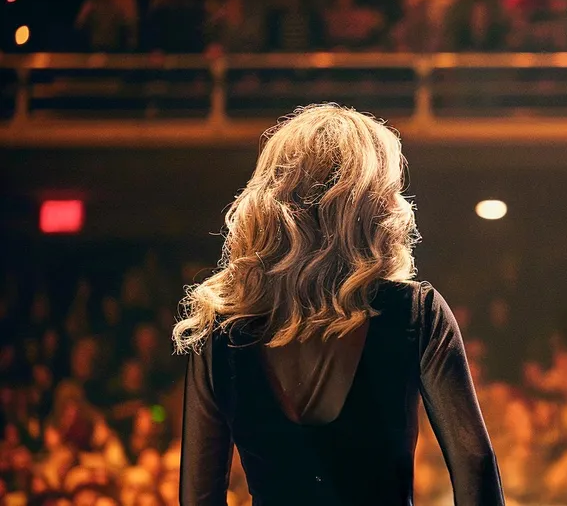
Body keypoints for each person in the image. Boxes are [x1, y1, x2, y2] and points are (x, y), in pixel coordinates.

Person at [173, 104, 503, 505]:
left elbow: (197, 497)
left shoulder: (218, 331)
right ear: (372, 203)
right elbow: (475, 462)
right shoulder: (416, 312)